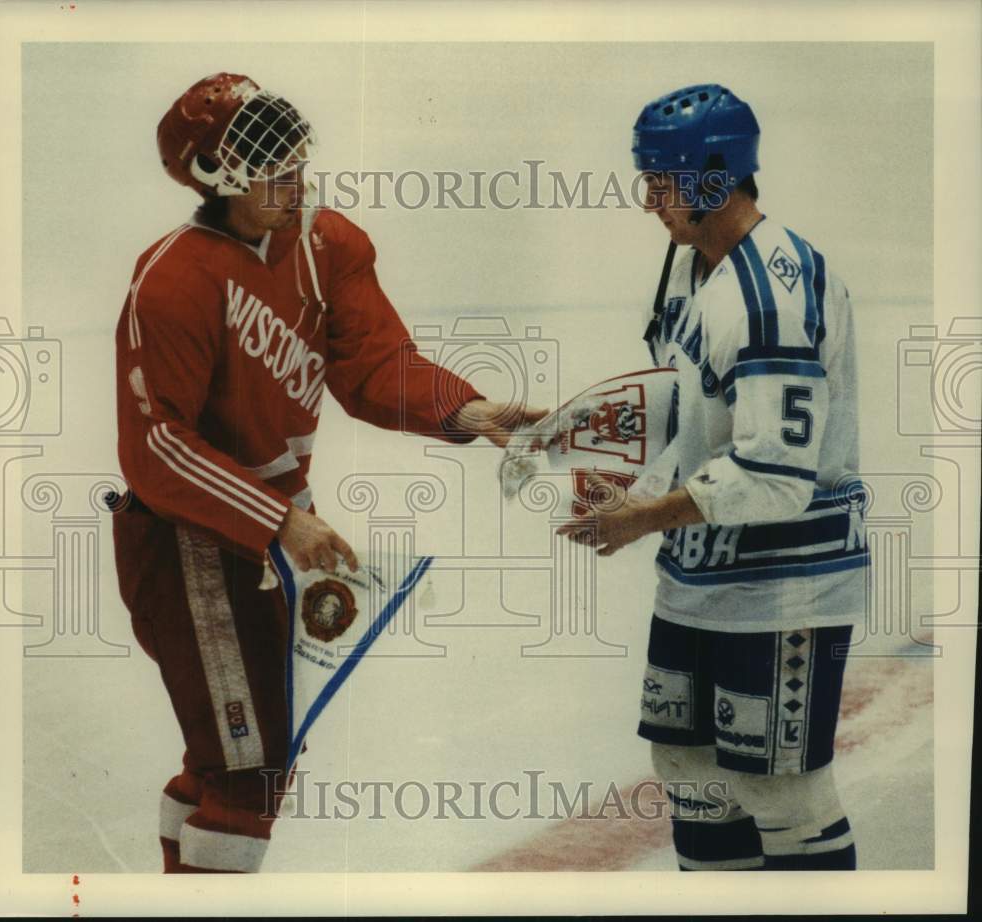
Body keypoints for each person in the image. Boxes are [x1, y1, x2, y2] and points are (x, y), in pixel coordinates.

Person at [112, 72, 544, 873]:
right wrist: (281, 520)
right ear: (217, 176)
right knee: (250, 768)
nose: (294, 172)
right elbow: (156, 447)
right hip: (188, 545)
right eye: (267, 159)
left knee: (237, 758)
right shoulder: (172, 278)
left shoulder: (326, 243)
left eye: (290, 149)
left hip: (267, 540)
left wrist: (466, 410)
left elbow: (376, 365)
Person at [560, 84, 868, 870]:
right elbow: (689, 400)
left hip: (785, 584)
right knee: (691, 773)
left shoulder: (767, 300)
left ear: (710, 177)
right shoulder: (690, 263)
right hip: (700, 575)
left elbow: (774, 477)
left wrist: (643, 518)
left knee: (780, 792)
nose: (646, 201)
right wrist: (604, 460)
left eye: (661, 183)